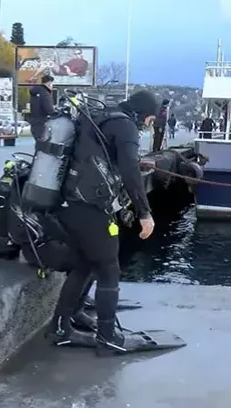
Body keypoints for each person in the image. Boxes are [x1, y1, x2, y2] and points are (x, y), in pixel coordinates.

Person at [50, 90, 159, 348]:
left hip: (69, 202)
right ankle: (108, 338)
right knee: (109, 268)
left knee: (85, 265)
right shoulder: (126, 127)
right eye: (151, 120)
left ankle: (63, 325)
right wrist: (145, 213)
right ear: (144, 114)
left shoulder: (103, 116)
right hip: (90, 207)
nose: (148, 125)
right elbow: (130, 171)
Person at [29, 75, 55, 141]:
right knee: (43, 143)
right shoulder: (45, 93)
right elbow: (49, 110)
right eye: (52, 84)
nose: (52, 86)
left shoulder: (35, 92)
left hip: (34, 121)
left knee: (38, 142)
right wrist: (55, 112)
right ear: (49, 83)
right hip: (43, 122)